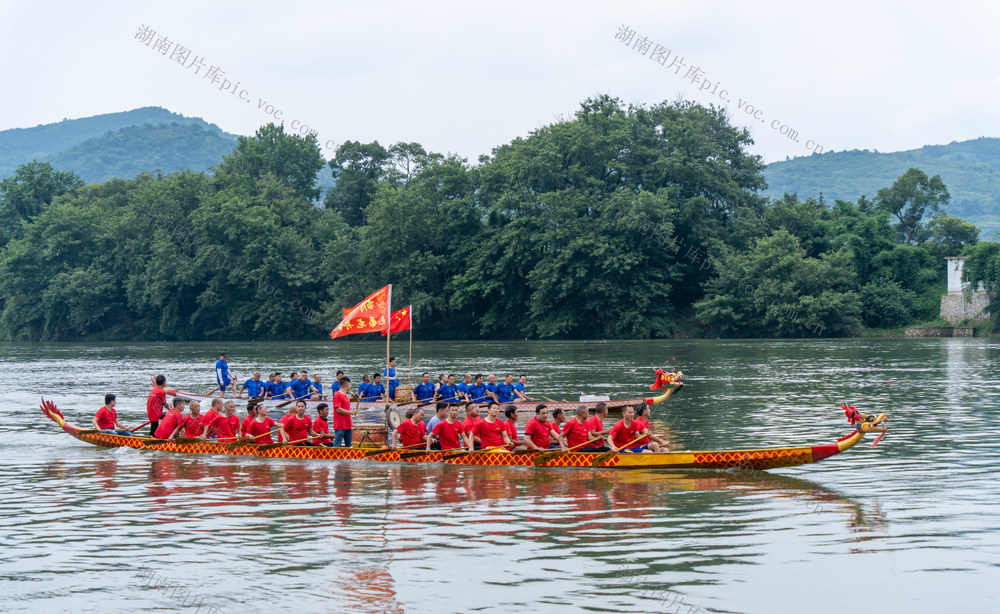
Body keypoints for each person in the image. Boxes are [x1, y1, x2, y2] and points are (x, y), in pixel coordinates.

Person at [331, 376, 357, 447]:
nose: (350, 386)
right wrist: (352, 412)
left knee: (349, 445)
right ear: (347, 385)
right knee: (337, 445)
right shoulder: (337, 395)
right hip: (340, 425)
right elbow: (338, 409)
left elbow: (347, 409)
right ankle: (334, 457)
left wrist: (351, 421)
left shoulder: (346, 396)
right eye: (350, 385)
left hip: (348, 424)